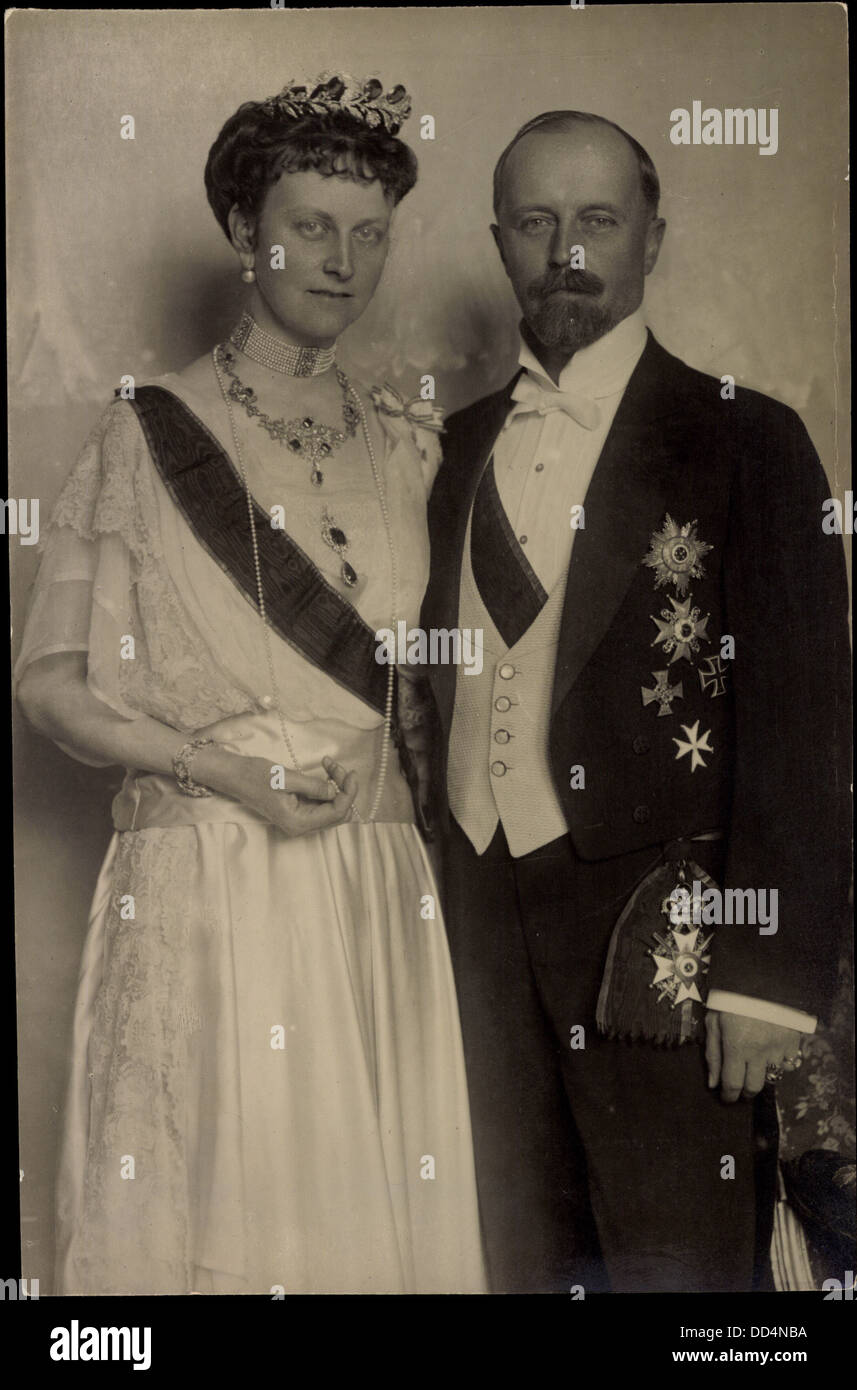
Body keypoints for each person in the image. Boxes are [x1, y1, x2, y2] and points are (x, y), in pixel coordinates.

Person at [15, 73, 486, 1296]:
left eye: (368, 232)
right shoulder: (147, 433)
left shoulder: (408, 443)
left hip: (373, 881)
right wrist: (225, 771)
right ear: (242, 233)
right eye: (311, 226)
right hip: (216, 876)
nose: (342, 260)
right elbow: (53, 688)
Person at [421, 109, 851, 1294]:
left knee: (677, 1286)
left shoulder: (746, 440)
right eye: (536, 221)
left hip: (660, 951)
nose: (565, 248)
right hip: (470, 947)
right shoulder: (444, 449)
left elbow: (802, 726)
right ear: (499, 238)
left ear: (652, 238)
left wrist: (763, 975)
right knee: (515, 1270)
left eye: (597, 220)